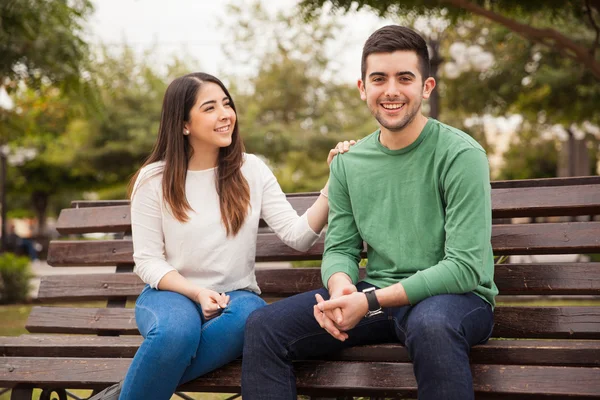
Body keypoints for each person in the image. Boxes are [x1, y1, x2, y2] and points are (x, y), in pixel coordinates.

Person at [242, 25, 498, 400]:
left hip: (456, 300)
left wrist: (370, 300)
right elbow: (341, 249)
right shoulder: (350, 162)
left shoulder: (461, 155)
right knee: (264, 326)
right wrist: (341, 287)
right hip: (378, 302)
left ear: (427, 87)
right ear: (363, 88)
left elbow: (465, 267)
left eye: (404, 78)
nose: (391, 90)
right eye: (378, 79)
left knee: (431, 326)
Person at [89, 72, 354, 400]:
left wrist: (334, 180)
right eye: (210, 108)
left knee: (251, 318)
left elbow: (297, 236)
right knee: (175, 333)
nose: (225, 114)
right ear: (184, 124)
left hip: (236, 297)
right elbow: (147, 261)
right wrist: (197, 292)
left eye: (227, 104)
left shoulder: (251, 170)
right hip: (170, 295)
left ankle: (120, 394)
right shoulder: (153, 178)